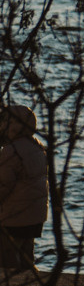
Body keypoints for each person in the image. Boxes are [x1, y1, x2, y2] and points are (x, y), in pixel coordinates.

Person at [0, 103, 47, 273]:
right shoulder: (37, 147)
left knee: (8, 261)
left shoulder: (11, 151)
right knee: (27, 256)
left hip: (14, 218)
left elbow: (3, 186)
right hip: (35, 216)